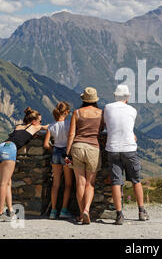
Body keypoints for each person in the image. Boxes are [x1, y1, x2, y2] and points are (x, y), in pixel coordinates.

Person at [103, 84, 149, 225]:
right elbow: (127, 127)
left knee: (116, 182)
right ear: (127, 97)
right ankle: (141, 211)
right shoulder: (133, 110)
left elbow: (107, 125)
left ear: (115, 95)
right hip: (129, 148)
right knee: (136, 180)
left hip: (113, 148)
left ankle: (119, 215)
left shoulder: (107, 108)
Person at [0, 107, 48, 222]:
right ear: (34, 121)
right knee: (3, 183)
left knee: (8, 182)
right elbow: (48, 128)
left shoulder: (18, 126)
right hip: (9, 150)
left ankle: (10, 210)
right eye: (40, 121)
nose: (40, 123)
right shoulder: (34, 127)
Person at [66, 87, 104, 225]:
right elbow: (102, 129)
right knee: (90, 183)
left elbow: (71, 134)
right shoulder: (101, 113)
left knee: (80, 182)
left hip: (77, 147)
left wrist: (67, 153)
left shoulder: (77, 113)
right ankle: (87, 210)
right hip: (93, 148)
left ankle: (81, 214)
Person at [44, 101, 73, 220]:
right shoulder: (69, 124)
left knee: (55, 184)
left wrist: (54, 149)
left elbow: (46, 144)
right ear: (66, 112)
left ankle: (53, 211)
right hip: (66, 154)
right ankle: (64, 210)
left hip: (56, 152)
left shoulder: (51, 126)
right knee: (68, 183)